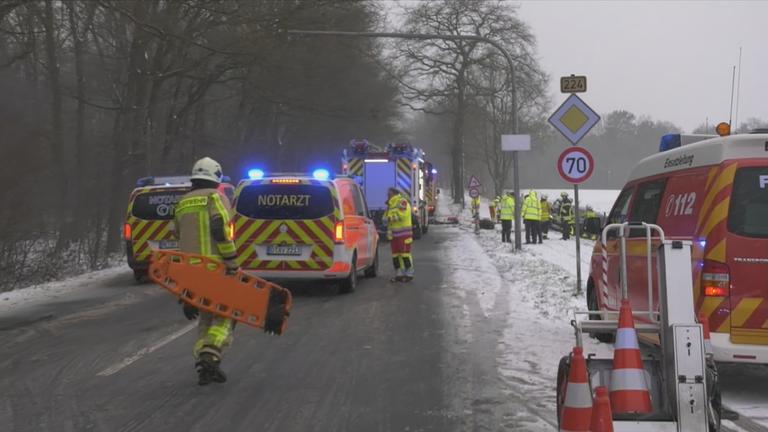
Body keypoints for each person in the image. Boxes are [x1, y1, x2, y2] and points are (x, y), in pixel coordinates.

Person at [174, 157, 239, 386]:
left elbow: (177, 236)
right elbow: (221, 231)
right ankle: (210, 355)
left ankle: (207, 367)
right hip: (214, 270)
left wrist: (184, 293)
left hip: (190, 274)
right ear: (217, 178)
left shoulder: (182, 202)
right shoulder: (215, 197)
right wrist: (232, 262)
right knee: (226, 317)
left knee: (205, 318)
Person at [385, 187, 414, 282]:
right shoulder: (391, 205)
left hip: (404, 235)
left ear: (394, 193)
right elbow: (384, 218)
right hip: (394, 236)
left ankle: (409, 274)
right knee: (396, 256)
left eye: (389, 194)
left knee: (405, 254)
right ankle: (399, 274)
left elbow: (402, 215)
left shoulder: (402, 202)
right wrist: (387, 218)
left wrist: (389, 218)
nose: (387, 196)